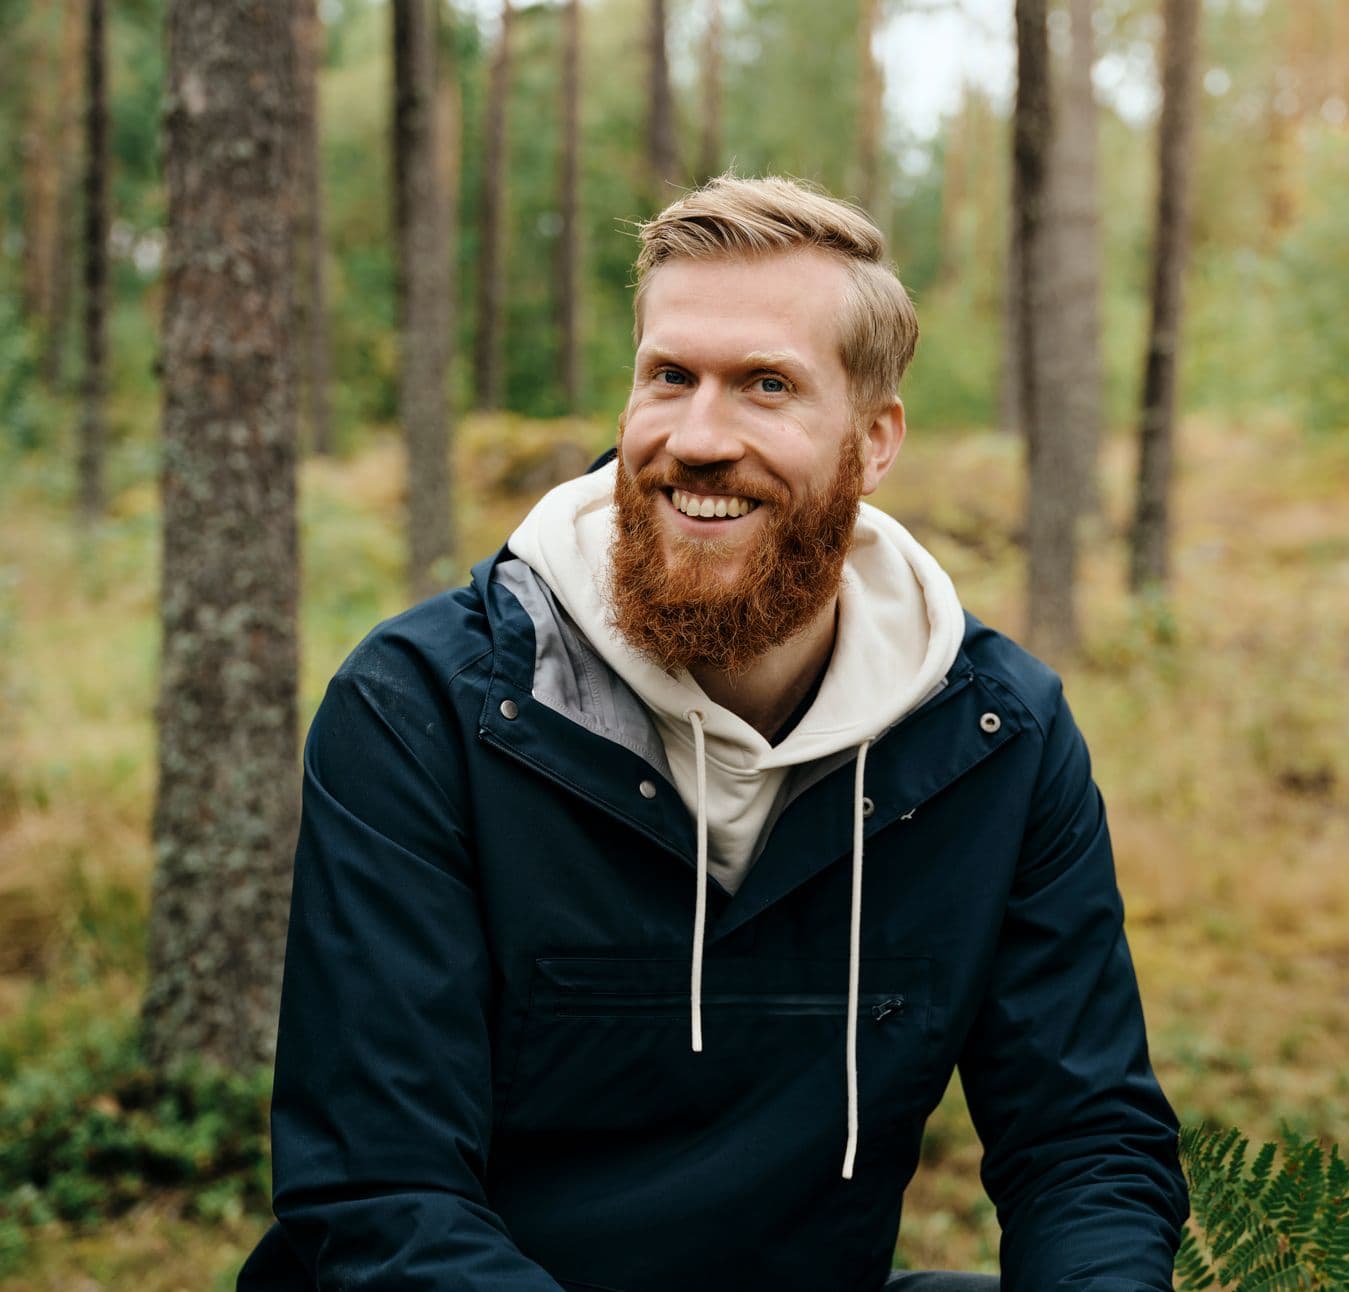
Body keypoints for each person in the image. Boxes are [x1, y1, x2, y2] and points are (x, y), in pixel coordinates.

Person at [237, 175, 1186, 1292]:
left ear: (874, 441)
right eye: (670, 377)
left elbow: (1085, 1144)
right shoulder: (426, 709)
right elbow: (382, 1194)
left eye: (766, 386)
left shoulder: (993, 738)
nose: (697, 438)